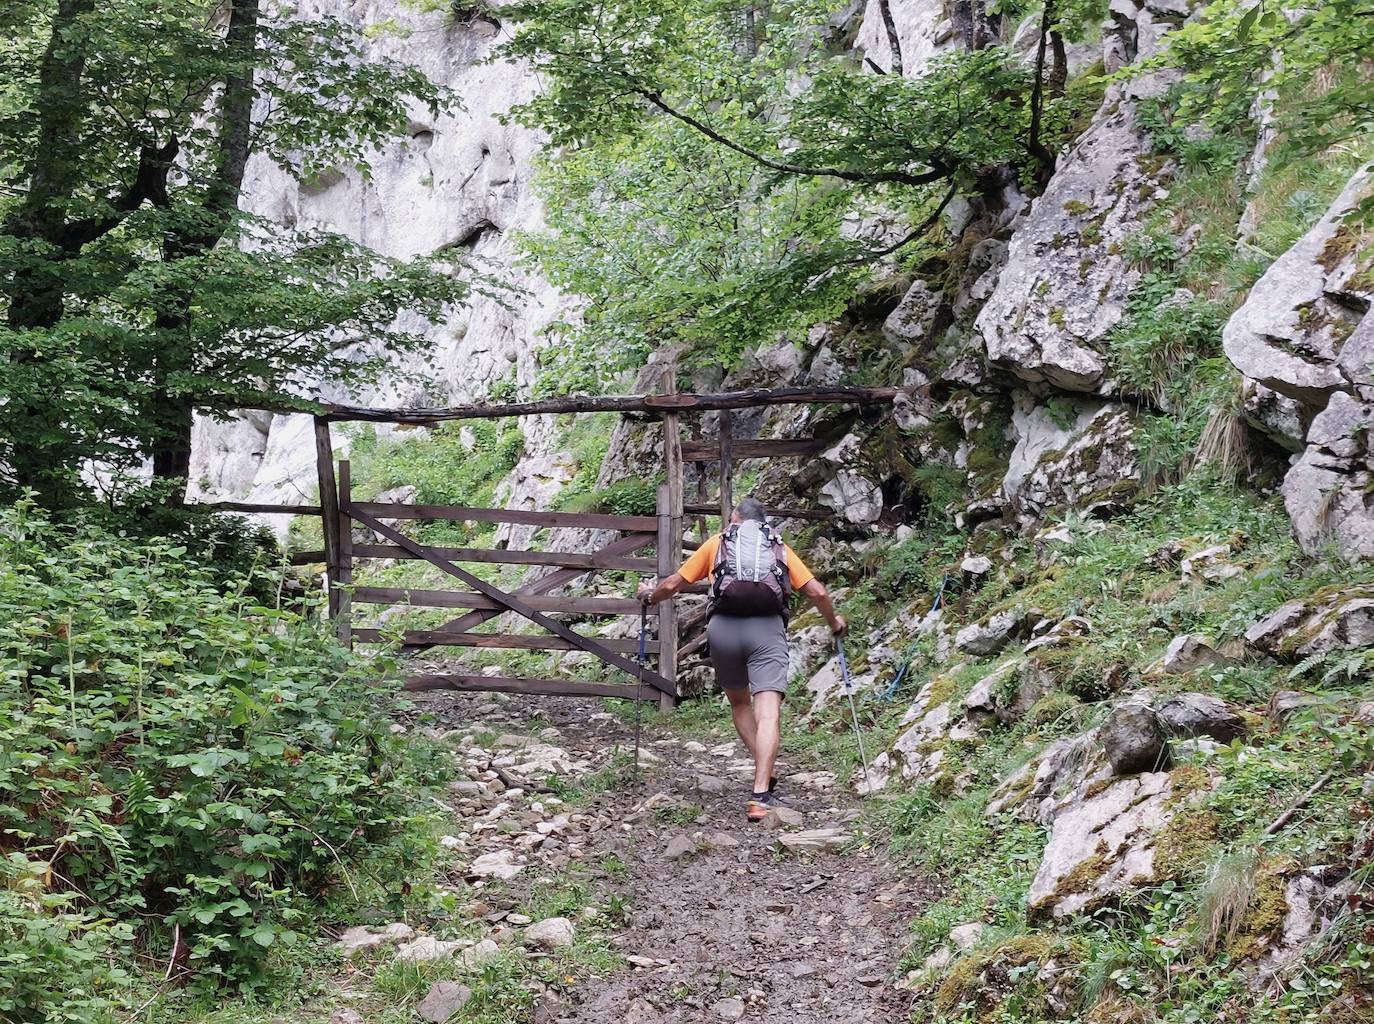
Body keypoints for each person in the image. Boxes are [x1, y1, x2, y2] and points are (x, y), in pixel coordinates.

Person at [637, 497, 846, 822]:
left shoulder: (716, 545)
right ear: (764, 524)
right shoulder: (779, 549)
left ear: (734, 519)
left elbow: (674, 584)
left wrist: (649, 595)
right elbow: (817, 592)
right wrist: (835, 623)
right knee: (769, 714)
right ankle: (760, 794)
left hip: (723, 631)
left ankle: (765, 770)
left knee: (740, 704)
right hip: (767, 631)